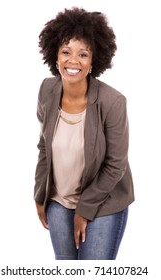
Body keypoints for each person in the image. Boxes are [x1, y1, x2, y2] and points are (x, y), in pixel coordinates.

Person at [34, 7, 135, 260]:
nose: (73, 61)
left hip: (104, 203)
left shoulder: (112, 102)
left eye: (83, 54)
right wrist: (39, 194)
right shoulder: (47, 90)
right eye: (66, 52)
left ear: (93, 61)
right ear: (55, 57)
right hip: (59, 200)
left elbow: (116, 165)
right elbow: (44, 146)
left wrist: (84, 210)